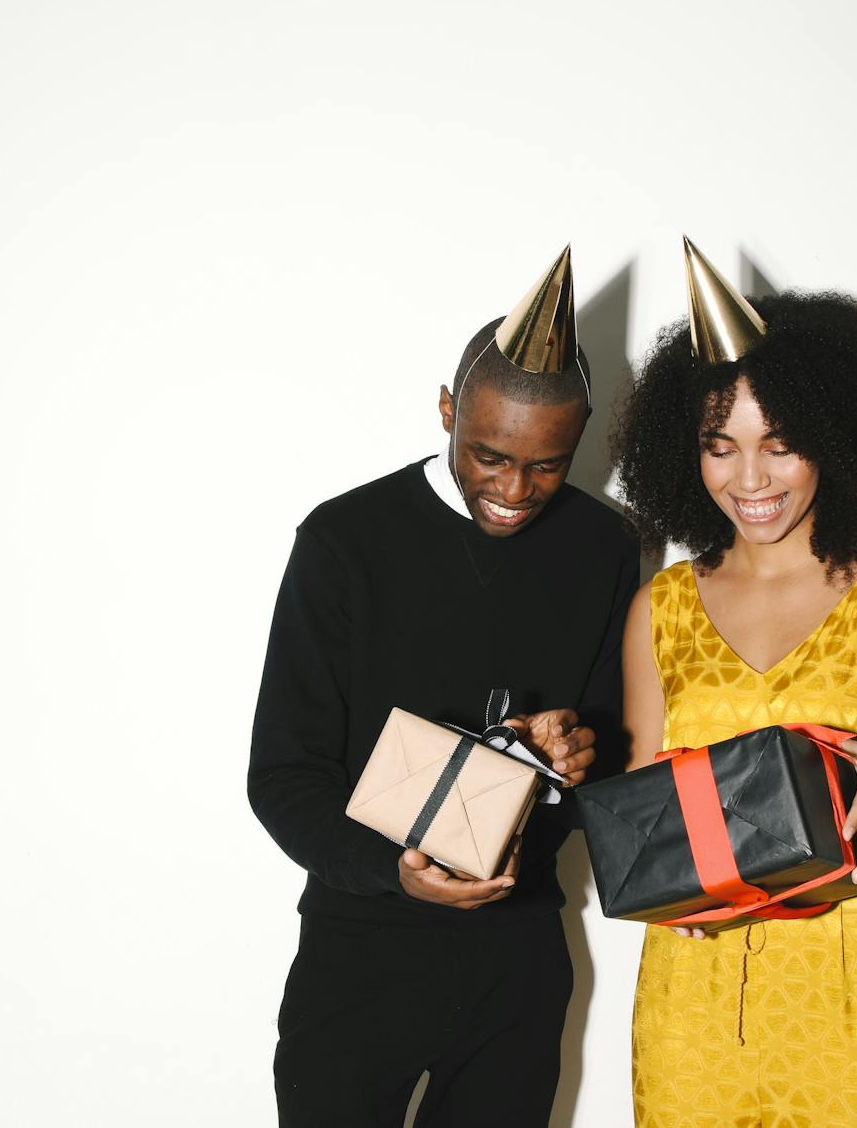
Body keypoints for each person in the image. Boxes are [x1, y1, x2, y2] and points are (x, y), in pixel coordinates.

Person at [249, 247, 642, 1127]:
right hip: (361, 951)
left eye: (548, 465)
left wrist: (575, 761)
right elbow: (281, 778)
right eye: (489, 455)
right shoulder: (345, 541)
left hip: (520, 960)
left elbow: (613, 766)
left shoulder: (604, 547)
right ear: (445, 410)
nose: (514, 490)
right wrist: (396, 872)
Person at [609, 239, 857, 1128]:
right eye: (720, 447)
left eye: (781, 446)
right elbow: (643, 814)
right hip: (694, 999)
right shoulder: (661, 609)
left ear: (837, 438)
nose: (749, 479)